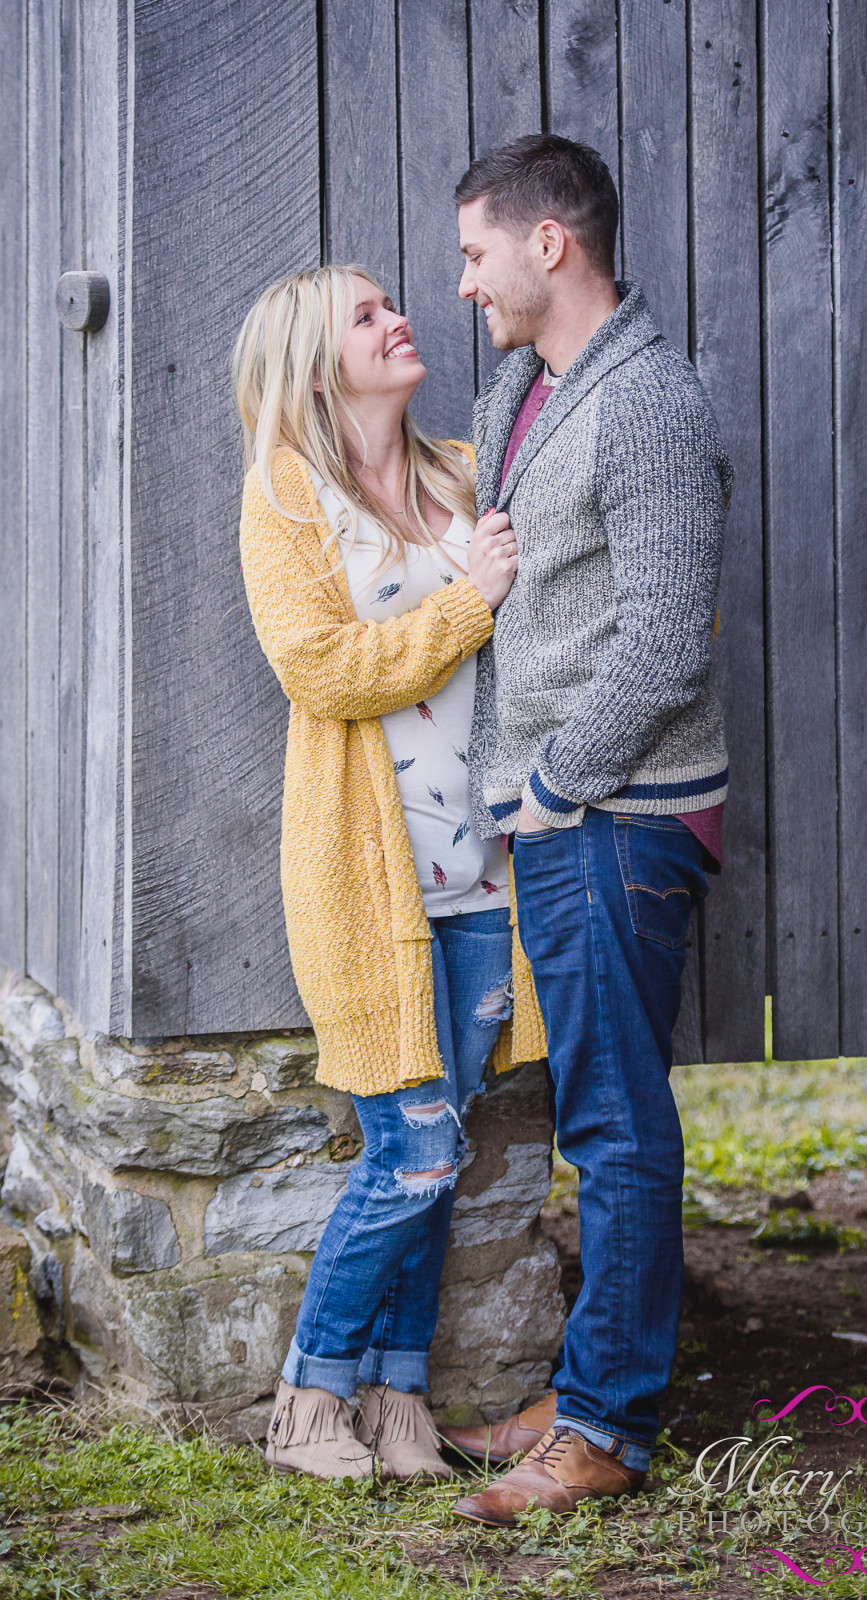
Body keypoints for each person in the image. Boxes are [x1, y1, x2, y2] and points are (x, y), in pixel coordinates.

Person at [440, 135, 732, 1523]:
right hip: (561, 816)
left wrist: (553, 786)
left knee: (618, 1126)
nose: (465, 283)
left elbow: (668, 640)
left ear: (549, 244)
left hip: (619, 817)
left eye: (475, 252)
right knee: (589, 1113)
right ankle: (590, 1381)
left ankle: (607, 1428)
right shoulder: (523, 390)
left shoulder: (651, 404)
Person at [233, 264, 546, 1482]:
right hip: (375, 884)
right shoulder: (287, 496)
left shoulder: (462, 473)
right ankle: (310, 1402)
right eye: (364, 315)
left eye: (387, 303)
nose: (396, 317)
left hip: (482, 882)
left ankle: (401, 1405)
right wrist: (470, 605)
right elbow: (320, 669)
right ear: (319, 363)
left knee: (449, 1145)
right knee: (411, 1148)